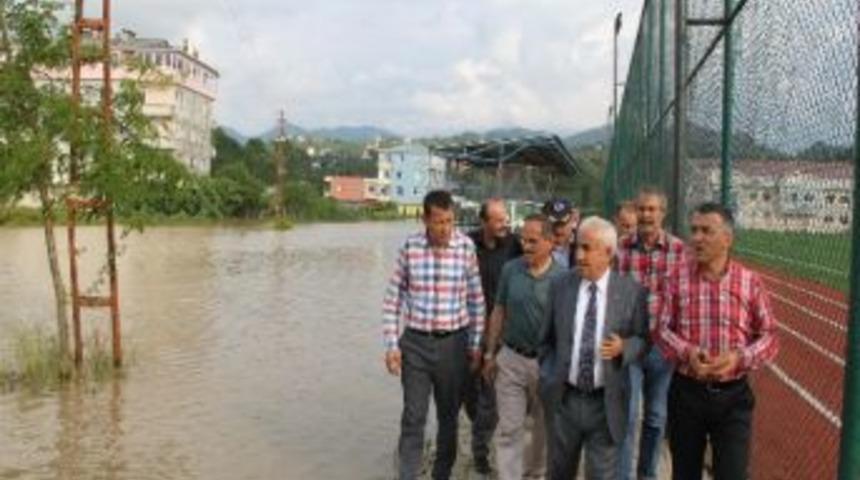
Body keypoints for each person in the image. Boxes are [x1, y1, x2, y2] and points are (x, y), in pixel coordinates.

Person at [655, 202, 779, 480]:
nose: (696, 237)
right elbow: (661, 330)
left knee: (733, 473)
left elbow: (769, 335)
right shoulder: (676, 279)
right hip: (686, 393)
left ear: (727, 239)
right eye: (694, 230)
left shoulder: (750, 282)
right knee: (685, 473)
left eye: (706, 231)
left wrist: (739, 358)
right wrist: (687, 353)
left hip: (733, 396)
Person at [382, 190, 486, 480]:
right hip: (415, 344)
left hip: (454, 344)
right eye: (438, 222)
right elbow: (393, 299)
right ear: (425, 219)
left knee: (448, 418)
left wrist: (476, 345)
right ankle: (408, 475)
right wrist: (392, 345)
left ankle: (441, 474)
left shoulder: (465, 248)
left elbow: (476, 301)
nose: (445, 229)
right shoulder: (410, 247)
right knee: (413, 416)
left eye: (450, 221)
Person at [539, 216, 648, 480]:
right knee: (559, 472)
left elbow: (644, 340)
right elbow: (545, 340)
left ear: (609, 253)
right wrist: (549, 375)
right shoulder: (560, 286)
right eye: (578, 247)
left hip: (606, 403)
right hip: (565, 400)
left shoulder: (631, 292)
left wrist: (626, 347)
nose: (579, 255)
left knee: (601, 475)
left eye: (588, 248)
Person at [481, 213, 564, 480]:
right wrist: (490, 353)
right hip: (511, 359)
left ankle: (534, 474)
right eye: (523, 240)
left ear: (551, 241)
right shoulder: (511, 270)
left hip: (545, 364)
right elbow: (499, 311)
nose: (526, 246)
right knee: (509, 429)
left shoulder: (563, 278)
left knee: (540, 429)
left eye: (533, 241)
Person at [616, 187, 686, 480]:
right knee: (629, 417)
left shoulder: (679, 251)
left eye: (652, 209)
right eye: (642, 209)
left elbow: (686, 297)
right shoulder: (620, 248)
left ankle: (648, 474)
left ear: (662, 213)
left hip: (663, 346)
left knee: (656, 417)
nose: (646, 214)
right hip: (630, 343)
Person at [463, 198, 522, 475]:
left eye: (505, 219)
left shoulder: (514, 244)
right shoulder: (466, 244)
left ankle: (481, 453)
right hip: (470, 327)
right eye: (498, 220)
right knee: (470, 394)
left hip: (500, 330)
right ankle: (479, 431)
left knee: (491, 395)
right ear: (483, 222)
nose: (504, 224)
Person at [542, 198, 580, 269]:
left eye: (563, 224)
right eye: (554, 224)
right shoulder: (536, 248)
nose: (558, 229)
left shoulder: (582, 247)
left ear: (574, 220)